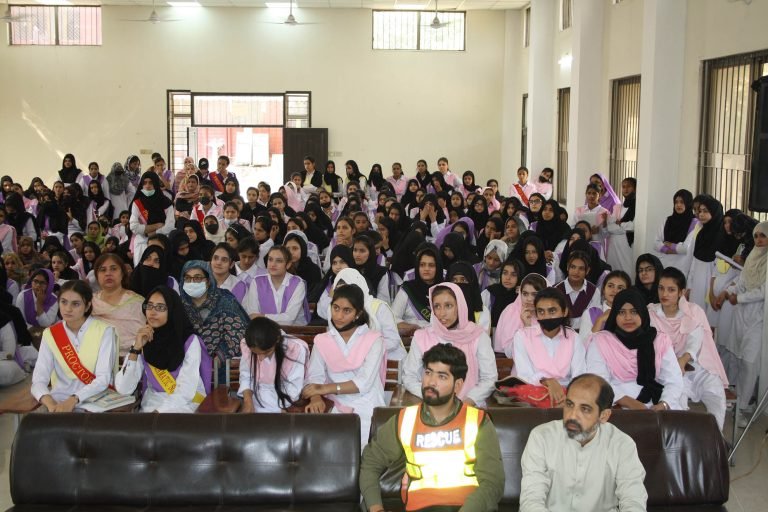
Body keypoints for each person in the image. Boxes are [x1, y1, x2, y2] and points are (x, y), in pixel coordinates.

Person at [360, 344, 505, 512]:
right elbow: (370, 462)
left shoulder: (477, 421)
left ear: (457, 385)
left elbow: (492, 483)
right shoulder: (405, 420)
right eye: (428, 373)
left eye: (442, 376)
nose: (431, 382)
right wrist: (376, 508)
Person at [519, 373, 647, 512]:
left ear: (604, 416)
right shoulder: (542, 437)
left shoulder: (622, 445)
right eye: (569, 404)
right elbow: (531, 501)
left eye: (585, 409)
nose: (572, 415)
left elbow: (633, 501)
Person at [303, 284, 387, 445]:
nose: (339, 315)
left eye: (346, 310)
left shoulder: (374, 339)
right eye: (335, 308)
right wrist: (315, 397)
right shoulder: (322, 340)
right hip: (335, 404)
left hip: (367, 404)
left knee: (364, 447)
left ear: (358, 314)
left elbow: (364, 383)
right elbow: (315, 376)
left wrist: (325, 389)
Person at [650, 267, 728, 429]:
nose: (664, 294)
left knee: (716, 395)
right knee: (678, 401)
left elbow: (695, 339)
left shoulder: (693, 311)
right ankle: (681, 439)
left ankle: (715, 439)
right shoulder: (651, 313)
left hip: (696, 366)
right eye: (661, 288)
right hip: (667, 369)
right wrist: (675, 366)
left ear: (682, 292)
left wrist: (684, 359)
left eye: (671, 290)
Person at [115, 286, 211, 413]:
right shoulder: (143, 338)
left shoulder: (189, 341)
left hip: (186, 404)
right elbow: (124, 388)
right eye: (149, 306)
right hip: (152, 402)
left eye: (160, 307)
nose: (152, 312)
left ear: (172, 310)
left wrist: (159, 413)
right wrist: (136, 349)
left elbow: (186, 390)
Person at [586, 289, 685, 410]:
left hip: (657, 403)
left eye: (634, 312)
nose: (628, 317)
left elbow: (674, 380)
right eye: (621, 312)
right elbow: (598, 381)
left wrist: (664, 404)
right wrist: (631, 403)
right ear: (614, 315)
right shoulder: (601, 341)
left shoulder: (659, 341)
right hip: (615, 403)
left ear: (642, 312)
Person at [402, 283, 497, 407]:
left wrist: (467, 402)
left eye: (448, 306)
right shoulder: (422, 337)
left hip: (469, 407)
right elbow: (409, 377)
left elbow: (489, 378)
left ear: (459, 306)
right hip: (432, 407)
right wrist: (434, 398)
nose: (442, 313)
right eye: (437, 306)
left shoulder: (477, 336)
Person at [31, 280, 117, 413]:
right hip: (59, 401)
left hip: (94, 402)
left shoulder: (104, 331)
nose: (68, 309)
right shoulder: (51, 334)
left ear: (87, 306)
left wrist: (74, 399)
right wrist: (50, 403)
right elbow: (38, 379)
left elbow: (103, 379)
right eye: (63, 302)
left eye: (75, 304)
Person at [722, 221, 767, 426]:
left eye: (763, 236)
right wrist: (729, 292)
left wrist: (739, 298)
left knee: (750, 363)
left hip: (759, 317)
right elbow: (742, 281)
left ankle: (741, 407)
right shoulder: (752, 257)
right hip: (741, 315)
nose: (759, 240)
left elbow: (763, 291)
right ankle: (740, 401)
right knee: (739, 359)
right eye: (756, 235)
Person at [512, 288, 586, 406]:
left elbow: (579, 376)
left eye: (552, 311)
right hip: (533, 395)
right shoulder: (522, 336)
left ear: (564, 312)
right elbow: (524, 375)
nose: (546, 316)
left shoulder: (574, 338)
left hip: (567, 396)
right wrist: (547, 381)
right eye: (541, 312)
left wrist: (564, 395)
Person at [180, 260, 249, 366]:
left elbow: (238, 334)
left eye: (198, 278)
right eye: (188, 278)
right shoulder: (179, 305)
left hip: (220, 366)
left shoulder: (225, 301)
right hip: (186, 364)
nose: (192, 282)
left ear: (208, 281)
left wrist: (220, 355)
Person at [238, 317, 309, 413]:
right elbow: (246, 376)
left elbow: (294, 388)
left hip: (286, 400)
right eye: (256, 353)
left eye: (266, 352)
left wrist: (281, 409)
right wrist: (248, 401)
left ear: (277, 340)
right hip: (256, 397)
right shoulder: (248, 344)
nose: (261, 358)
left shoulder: (295, 349)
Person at [91, 253, 144, 356]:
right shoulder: (89, 302)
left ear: (122, 273)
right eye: (103, 270)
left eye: (113, 269)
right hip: (95, 360)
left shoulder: (137, 302)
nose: (108, 273)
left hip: (131, 360)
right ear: (97, 276)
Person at [242, 245, 310, 326]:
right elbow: (252, 315)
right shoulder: (257, 282)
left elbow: (289, 319)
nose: (273, 264)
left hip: (294, 331)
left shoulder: (298, 283)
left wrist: (263, 316)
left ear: (288, 264)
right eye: (270, 259)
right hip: (263, 329)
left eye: (279, 261)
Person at [687, 195, 724, 322]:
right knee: (695, 318)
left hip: (712, 284)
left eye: (705, 211)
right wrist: (689, 286)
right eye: (700, 211)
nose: (701, 214)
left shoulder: (721, 236)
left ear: (715, 212)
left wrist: (712, 291)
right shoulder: (701, 234)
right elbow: (694, 262)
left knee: (709, 321)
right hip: (697, 283)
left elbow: (718, 268)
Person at [392, 245, 444, 334]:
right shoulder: (407, 290)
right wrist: (411, 328)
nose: (426, 269)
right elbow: (392, 319)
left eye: (431, 265)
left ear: (438, 268)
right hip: (412, 338)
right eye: (422, 265)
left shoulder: (446, 290)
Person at [129, 171, 175, 266]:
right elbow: (134, 227)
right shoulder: (137, 203)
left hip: (162, 240)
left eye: (151, 182)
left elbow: (170, 226)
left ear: (156, 184)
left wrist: (152, 233)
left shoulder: (166, 203)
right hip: (142, 242)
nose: (147, 186)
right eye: (145, 183)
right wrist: (157, 225)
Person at [579, 270, 632, 345]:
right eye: (610, 286)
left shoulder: (632, 314)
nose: (615, 291)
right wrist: (600, 320)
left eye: (620, 288)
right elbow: (582, 345)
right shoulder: (590, 312)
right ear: (603, 289)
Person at [653, 189, 699, 276]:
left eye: (682, 202)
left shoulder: (695, 223)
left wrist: (669, 245)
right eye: (676, 202)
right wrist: (675, 249)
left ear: (688, 203)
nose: (678, 205)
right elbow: (655, 244)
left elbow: (686, 248)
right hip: (664, 264)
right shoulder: (667, 220)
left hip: (682, 266)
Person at [555, 251, 601, 331]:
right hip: (560, 333)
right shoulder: (556, 290)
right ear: (567, 267)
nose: (576, 272)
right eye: (573, 267)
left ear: (587, 270)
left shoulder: (594, 291)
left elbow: (594, 320)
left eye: (581, 268)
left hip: (585, 334)